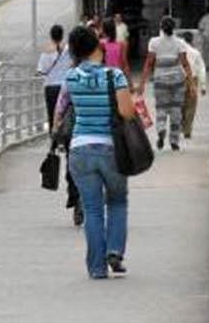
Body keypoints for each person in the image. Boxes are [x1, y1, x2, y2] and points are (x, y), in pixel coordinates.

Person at [54, 26, 137, 279]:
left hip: (80, 150)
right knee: (117, 201)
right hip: (111, 149)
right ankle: (114, 250)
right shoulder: (115, 76)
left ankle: (97, 268)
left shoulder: (70, 78)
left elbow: (59, 114)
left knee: (91, 209)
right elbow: (127, 112)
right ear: (96, 47)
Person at [36, 25, 80, 223]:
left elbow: (42, 71)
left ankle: (57, 140)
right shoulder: (73, 54)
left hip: (53, 89)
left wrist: (55, 128)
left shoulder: (47, 51)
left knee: (58, 117)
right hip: (95, 132)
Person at [138, 16, 192, 152]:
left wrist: (142, 84)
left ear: (161, 27)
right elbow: (185, 64)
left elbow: (149, 64)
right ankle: (174, 141)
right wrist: (191, 84)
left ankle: (161, 129)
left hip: (160, 79)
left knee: (161, 108)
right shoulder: (180, 43)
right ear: (173, 28)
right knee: (176, 110)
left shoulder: (154, 42)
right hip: (177, 80)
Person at [179, 32, 207, 139]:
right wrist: (203, 86)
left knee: (180, 104)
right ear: (192, 40)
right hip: (193, 81)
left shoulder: (178, 51)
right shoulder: (196, 53)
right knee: (191, 106)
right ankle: (187, 129)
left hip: (179, 80)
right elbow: (202, 69)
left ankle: (181, 124)